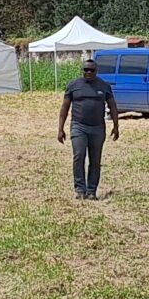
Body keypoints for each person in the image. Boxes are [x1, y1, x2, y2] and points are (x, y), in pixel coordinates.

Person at [57, 60, 119, 200]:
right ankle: (80, 189)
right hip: (79, 126)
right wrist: (60, 128)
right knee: (79, 157)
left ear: (96, 71)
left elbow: (113, 106)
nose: (88, 72)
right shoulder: (73, 86)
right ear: (82, 70)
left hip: (97, 128)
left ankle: (91, 191)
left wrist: (116, 125)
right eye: (86, 70)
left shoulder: (104, 86)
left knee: (95, 160)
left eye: (91, 70)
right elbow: (64, 108)